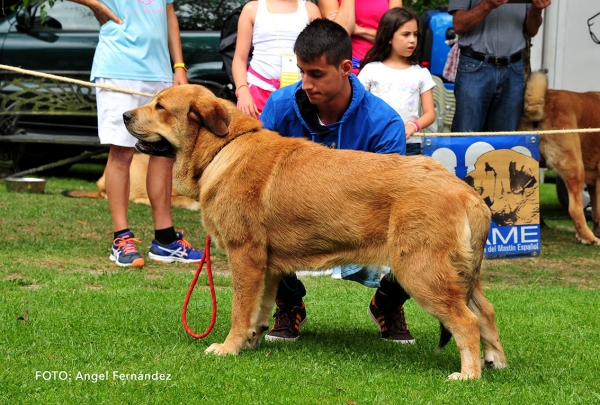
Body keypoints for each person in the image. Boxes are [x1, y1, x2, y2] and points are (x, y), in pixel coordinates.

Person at [260, 18, 415, 344]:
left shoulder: (385, 122)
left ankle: (388, 302)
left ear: (346, 68)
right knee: (252, 226)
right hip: (294, 220)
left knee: (418, 231)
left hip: (362, 224)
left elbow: (392, 197)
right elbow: (258, 179)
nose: (305, 83)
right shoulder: (278, 106)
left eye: (316, 74)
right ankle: (288, 303)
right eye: (302, 71)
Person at [70, 0, 203, 267]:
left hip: (159, 71)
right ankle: (121, 239)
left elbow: (169, 14)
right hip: (118, 67)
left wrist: (179, 66)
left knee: (163, 153)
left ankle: (165, 240)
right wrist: (95, 5)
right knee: (122, 152)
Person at [449, 0, 551, 132]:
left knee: (505, 143)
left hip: (513, 68)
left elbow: (531, 30)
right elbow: (458, 25)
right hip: (475, 66)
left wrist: (537, 9)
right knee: (466, 139)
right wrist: (487, 4)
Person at [358, 7, 436, 156]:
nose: (412, 39)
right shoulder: (370, 70)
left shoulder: (421, 73)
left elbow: (430, 113)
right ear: (389, 37)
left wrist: (413, 126)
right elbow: (357, 106)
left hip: (410, 144)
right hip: (375, 143)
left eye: (415, 34)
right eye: (406, 34)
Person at [233, 0, 321, 118]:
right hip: (258, 88)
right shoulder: (252, 9)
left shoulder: (310, 9)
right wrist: (242, 91)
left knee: (297, 136)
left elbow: (320, 55)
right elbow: (239, 58)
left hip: (300, 91)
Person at [317, 0, 403, 74]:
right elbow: (340, 34)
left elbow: (398, 37)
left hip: (384, 65)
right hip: (347, 68)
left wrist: (360, 30)